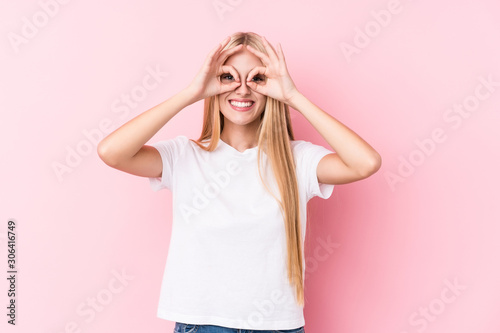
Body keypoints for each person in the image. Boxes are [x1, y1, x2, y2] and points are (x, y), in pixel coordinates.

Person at [97, 31, 381, 333]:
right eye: (229, 77)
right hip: (202, 326)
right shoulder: (184, 156)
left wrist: (293, 97)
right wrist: (191, 93)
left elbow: (366, 163)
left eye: (257, 79)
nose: (243, 90)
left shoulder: (297, 160)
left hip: (277, 326)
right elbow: (111, 152)